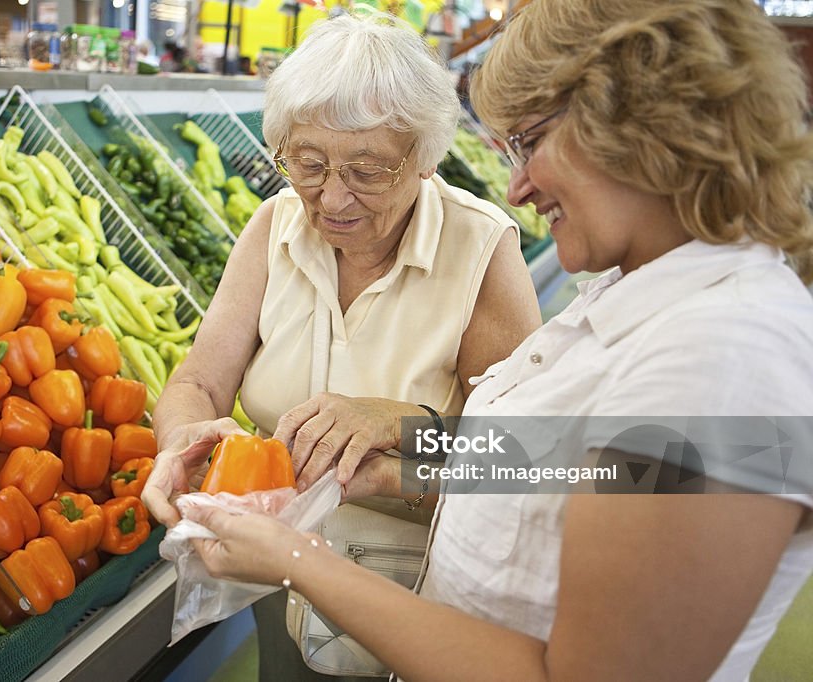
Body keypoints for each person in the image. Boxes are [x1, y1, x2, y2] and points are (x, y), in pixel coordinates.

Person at [178, 1, 813, 680]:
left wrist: (296, 561)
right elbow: (565, 467)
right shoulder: (639, 303)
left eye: (531, 142)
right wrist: (389, 469)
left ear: (644, 126)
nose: (518, 184)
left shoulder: (728, 353)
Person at [141, 9, 541, 681]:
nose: (330, 196)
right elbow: (199, 383)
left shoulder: (480, 249)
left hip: (415, 602)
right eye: (307, 163)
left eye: (368, 170)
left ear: (425, 158)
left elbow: (521, 462)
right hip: (273, 579)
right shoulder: (274, 226)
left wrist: (396, 425)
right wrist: (180, 438)